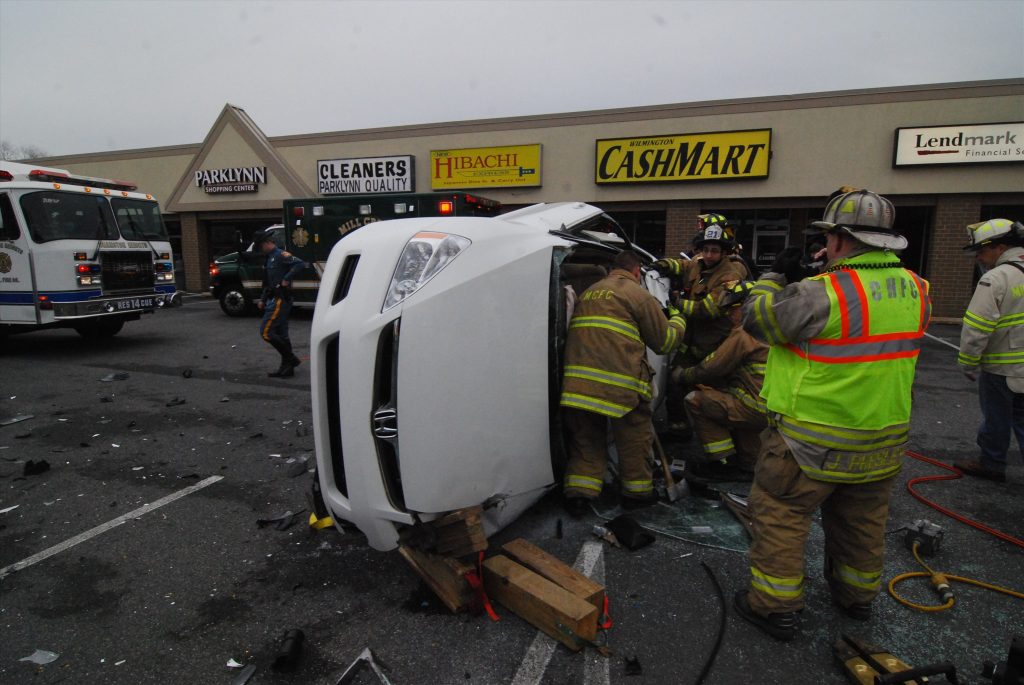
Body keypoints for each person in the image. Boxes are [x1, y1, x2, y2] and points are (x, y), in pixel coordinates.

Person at [734, 189, 931, 642]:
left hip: (810, 441)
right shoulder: (918, 290)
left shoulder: (819, 293)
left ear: (839, 239)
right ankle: (856, 598)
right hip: (882, 438)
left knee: (780, 513)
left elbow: (757, 319)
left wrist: (774, 277)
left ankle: (775, 607)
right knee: (861, 521)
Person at [561, 249, 688, 514]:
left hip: (577, 387)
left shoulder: (589, 292)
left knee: (586, 441)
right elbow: (663, 343)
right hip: (621, 386)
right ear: (636, 271)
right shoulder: (638, 294)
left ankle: (579, 496)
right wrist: (678, 320)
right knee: (634, 438)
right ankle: (637, 495)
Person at [654, 213, 750, 433]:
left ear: (724, 252)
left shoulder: (730, 274)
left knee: (713, 392)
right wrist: (660, 265)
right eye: (705, 249)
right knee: (674, 383)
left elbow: (708, 309)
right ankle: (679, 429)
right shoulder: (698, 263)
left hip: (716, 345)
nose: (708, 255)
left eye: (714, 251)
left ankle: (721, 444)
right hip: (692, 343)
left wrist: (677, 302)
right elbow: (681, 266)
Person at [671, 281, 768, 481]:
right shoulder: (772, 328)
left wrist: (682, 375)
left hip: (752, 406)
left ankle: (722, 463)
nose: (729, 315)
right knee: (750, 461)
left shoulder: (743, 333)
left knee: (695, 399)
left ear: (748, 305)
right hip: (771, 407)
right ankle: (747, 465)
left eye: (733, 309)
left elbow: (712, 366)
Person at [956, 218, 1024, 482]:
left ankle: (991, 463)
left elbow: (976, 327)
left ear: (1000, 247)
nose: (979, 259)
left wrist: (968, 363)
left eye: (981, 251)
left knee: (997, 417)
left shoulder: (996, 278)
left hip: (1002, 369)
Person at [254, 228, 307, 378]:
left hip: (281, 299)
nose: (260, 250)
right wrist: (263, 299)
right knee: (282, 334)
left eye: (260, 246)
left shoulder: (279, 255)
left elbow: (300, 264)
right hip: (274, 298)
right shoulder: (269, 258)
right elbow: (268, 282)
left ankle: (291, 359)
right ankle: (287, 368)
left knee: (266, 332)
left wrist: (286, 279)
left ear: (267, 243)